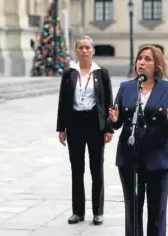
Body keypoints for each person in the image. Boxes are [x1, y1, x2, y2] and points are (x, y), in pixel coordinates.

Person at [109, 45, 168, 236]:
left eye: (147, 59)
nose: (141, 63)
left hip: (160, 158)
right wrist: (113, 120)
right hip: (130, 157)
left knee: (157, 207)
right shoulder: (126, 88)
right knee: (132, 207)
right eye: (139, 59)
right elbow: (115, 122)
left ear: (157, 65)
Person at [56, 35, 114, 225]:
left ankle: (98, 212)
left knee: (96, 169)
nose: (84, 51)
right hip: (75, 123)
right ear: (76, 50)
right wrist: (61, 128)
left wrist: (109, 128)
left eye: (88, 47)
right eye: (81, 47)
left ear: (93, 51)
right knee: (77, 169)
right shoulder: (69, 73)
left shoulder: (101, 73)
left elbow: (108, 103)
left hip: (95, 124)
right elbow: (63, 102)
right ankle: (78, 212)